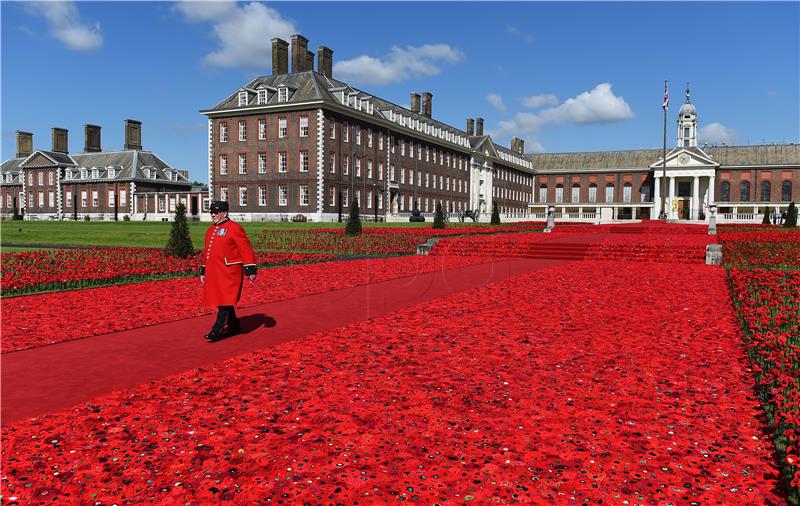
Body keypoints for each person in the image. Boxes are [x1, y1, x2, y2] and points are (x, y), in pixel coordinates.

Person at [200, 201, 257, 342]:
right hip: (215, 270)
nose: (213, 214)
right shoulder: (211, 230)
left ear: (225, 212)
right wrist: (204, 269)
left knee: (224, 298)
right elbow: (207, 252)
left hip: (229, 271)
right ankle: (234, 325)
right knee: (223, 299)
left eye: (216, 212)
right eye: (211, 211)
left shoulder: (234, 228)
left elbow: (245, 248)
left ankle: (217, 330)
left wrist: (250, 267)